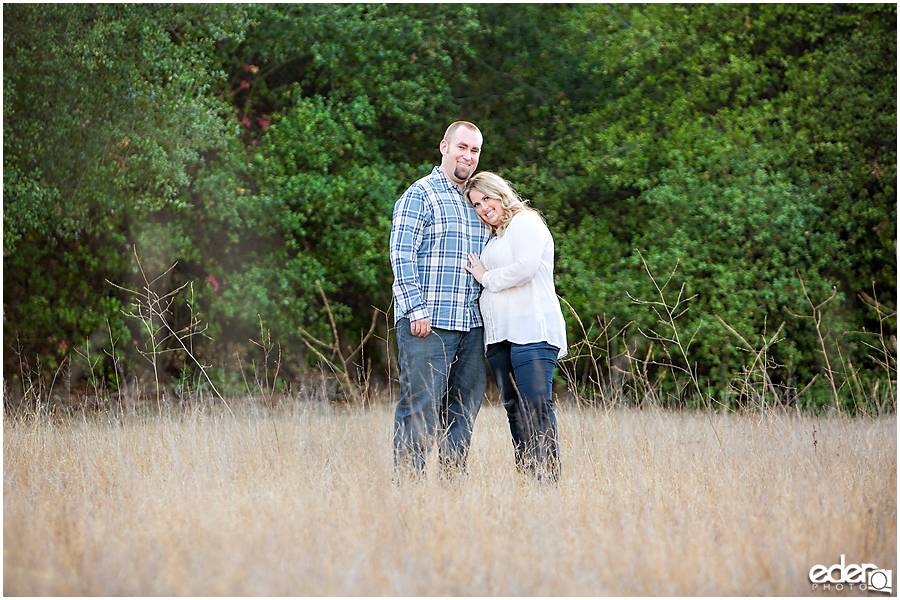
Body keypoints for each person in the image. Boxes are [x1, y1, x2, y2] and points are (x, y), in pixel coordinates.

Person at [389, 121, 492, 477]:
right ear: (444, 147)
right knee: (420, 409)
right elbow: (401, 254)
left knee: (463, 412)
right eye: (462, 147)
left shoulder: (478, 202)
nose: (468, 156)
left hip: (473, 327)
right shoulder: (421, 194)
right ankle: (409, 492)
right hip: (427, 325)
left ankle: (451, 495)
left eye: (475, 150)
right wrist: (415, 308)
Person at [463, 172, 567, 482]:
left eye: (487, 198)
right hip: (500, 338)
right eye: (476, 204)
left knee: (536, 406)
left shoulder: (525, 221)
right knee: (515, 411)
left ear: (500, 193)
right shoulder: (494, 236)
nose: (483, 207)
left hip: (531, 332)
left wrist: (486, 277)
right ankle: (529, 480)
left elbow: (526, 268)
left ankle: (548, 482)